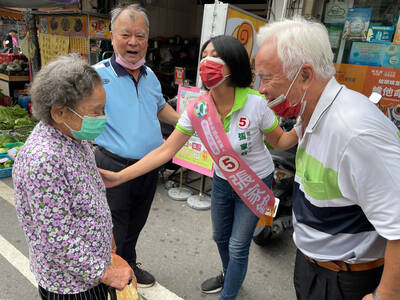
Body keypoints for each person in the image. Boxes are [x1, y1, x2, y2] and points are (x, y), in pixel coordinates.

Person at [99, 35, 298, 300]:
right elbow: (165, 150)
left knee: (238, 245)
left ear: (233, 63)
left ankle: (228, 293)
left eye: (215, 55)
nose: (206, 61)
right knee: (219, 236)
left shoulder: (255, 103)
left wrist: (305, 125)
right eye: (204, 55)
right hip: (222, 180)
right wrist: (119, 176)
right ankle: (230, 274)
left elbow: (281, 142)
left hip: (254, 181)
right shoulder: (198, 109)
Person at [255, 17, 400, 300]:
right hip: (312, 266)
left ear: (305, 75)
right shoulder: (309, 112)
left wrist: (387, 294)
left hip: (346, 281)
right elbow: (283, 142)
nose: (261, 88)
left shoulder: (354, 131)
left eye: (267, 77)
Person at [12, 55, 134, 299]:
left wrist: (107, 240)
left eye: (103, 108)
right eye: (95, 111)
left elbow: (91, 198)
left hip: (91, 267)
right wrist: (106, 273)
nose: (103, 117)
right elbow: (57, 239)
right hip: (71, 285)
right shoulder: (44, 161)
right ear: (58, 112)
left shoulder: (74, 137)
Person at [93, 4, 180, 288]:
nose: (133, 42)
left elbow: (160, 109)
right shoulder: (96, 76)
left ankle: (129, 265)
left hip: (149, 166)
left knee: (136, 224)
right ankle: (109, 277)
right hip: (112, 166)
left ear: (147, 39)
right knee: (113, 229)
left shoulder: (150, 75)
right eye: (126, 35)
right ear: (112, 35)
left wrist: (189, 124)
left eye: (140, 36)